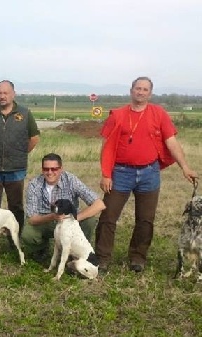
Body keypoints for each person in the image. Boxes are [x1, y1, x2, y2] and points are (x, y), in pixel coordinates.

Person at [95, 76, 197, 273]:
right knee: (108, 216)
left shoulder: (159, 114)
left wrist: (184, 167)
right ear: (131, 90)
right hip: (120, 173)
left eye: (145, 89)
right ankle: (102, 258)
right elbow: (106, 146)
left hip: (149, 173)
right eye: (137, 88)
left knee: (145, 219)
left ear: (150, 93)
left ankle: (138, 258)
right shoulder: (117, 115)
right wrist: (106, 174)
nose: (140, 92)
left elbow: (171, 142)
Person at [0, 80, 40, 232]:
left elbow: (34, 138)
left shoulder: (25, 114)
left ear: (13, 94)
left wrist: (19, 152)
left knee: (16, 206)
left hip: (16, 169)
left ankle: (16, 237)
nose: (2, 96)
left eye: (6, 93)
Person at [22, 153, 105, 263]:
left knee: (90, 221)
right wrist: (52, 217)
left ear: (61, 169)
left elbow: (99, 204)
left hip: (70, 222)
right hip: (46, 221)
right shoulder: (34, 184)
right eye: (46, 169)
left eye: (54, 169)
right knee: (28, 233)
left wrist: (74, 218)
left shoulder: (71, 180)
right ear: (42, 170)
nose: (50, 172)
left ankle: (75, 252)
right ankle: (41, 249)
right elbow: (32, 218)